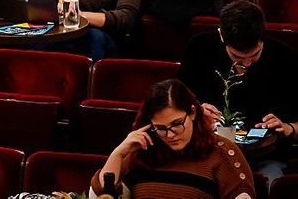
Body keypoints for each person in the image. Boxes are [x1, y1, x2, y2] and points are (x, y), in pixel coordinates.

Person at [179, 1, 298, 187]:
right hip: (207, 152)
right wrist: (195, 111)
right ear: (221, 36)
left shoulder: (288, 60)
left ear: (263, 38)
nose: (246, 64)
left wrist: (289, 128)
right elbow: (175, 108)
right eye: (237, 57)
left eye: (255, 55)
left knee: (265, 186)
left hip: (266, 158)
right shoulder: (198, 49)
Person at [92, 79, 255, 198]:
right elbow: (100, 196)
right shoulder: (143, 151)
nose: (170, 135)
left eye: (177, 124)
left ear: (192, 113)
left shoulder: (222, 152)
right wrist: (118, 153)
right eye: (161, 128)